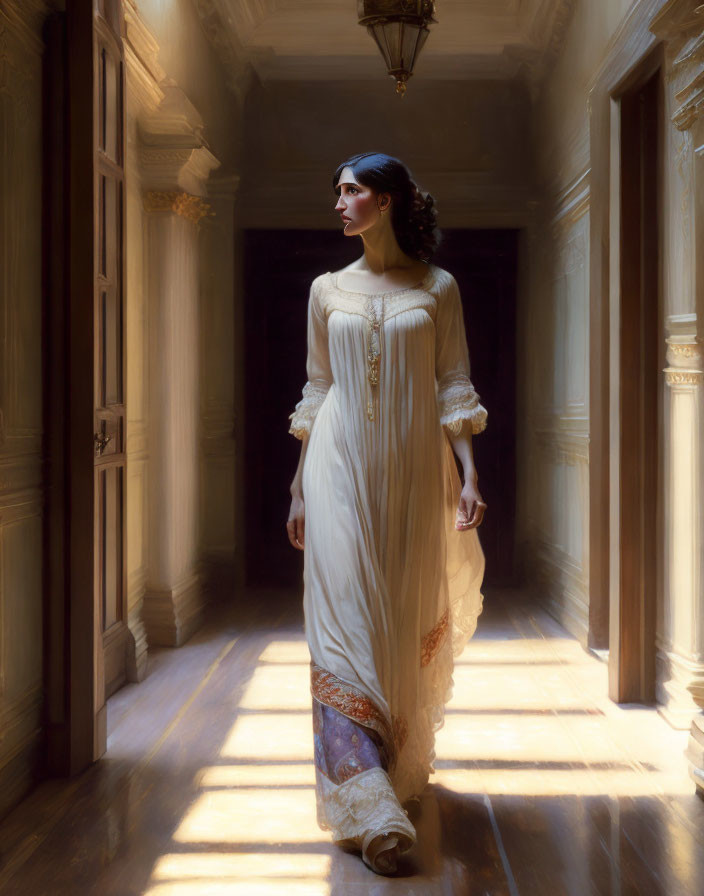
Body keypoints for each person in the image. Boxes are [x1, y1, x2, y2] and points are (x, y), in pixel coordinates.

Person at [286, 151, 487, 876]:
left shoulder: (438, 288)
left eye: (351, 192)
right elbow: (316, 392)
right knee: (341, 623)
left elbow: (454, 385)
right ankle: (366, 804)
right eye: (336, 191)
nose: (339, 203)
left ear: (388, 202)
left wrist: (468, 476)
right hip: (337, 469)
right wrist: (299, 486)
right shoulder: (325, 290)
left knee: (395, 623)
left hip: (412, 476)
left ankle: (393, 773)